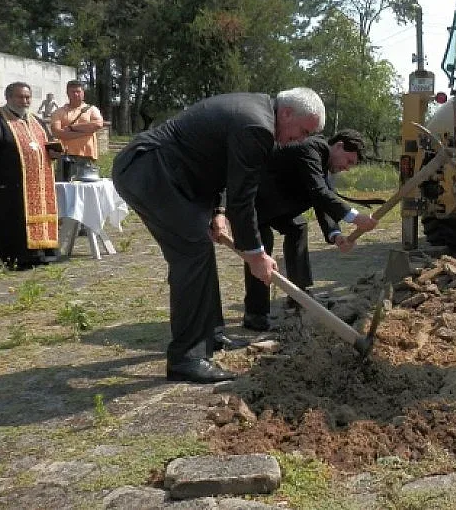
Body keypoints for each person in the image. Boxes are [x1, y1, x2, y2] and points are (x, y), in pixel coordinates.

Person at [111, 88, 325, 383]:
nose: (301, 139)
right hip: (150, 170)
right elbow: (243, 199)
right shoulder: (257, 125)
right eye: (303, 130)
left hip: (174, 176)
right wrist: (255, 254)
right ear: (287, 113)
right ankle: (186, 358)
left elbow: (216, 164)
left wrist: (216, 212)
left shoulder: (257, 114)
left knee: (198, 251)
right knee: (192, 254)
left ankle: (210, 335)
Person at [240, 129, 378, 332]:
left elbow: (322, 199)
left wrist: (336, 234)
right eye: (348, 161)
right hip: (255, 206)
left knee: (298, 227)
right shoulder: (311, 149)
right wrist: (355, 218)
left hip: (279, 207)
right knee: (260, 250)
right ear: (338, 146)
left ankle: (299, 296)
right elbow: (319, 192)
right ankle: (256, 314)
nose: (346, 168)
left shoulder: (322, 163)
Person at [0, 82, 61, 268]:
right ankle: (13, 258)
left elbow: (47, 143)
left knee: (37, 217)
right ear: (9, 98)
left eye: (27, 97)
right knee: (12, 219)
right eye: (20, 97)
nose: (25, 101)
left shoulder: (36, 121)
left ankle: (41, 253)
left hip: (38, 182)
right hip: (8, 181)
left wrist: (54, 152)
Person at [49, 81, 104, 181]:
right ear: (67, 93)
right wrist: (86, 132)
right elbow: (57, 133)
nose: (75, 94)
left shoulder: (92, 109)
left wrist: (71, 128)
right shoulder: (58, 112)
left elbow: (98, 124)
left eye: (78, 91)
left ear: (83, 93)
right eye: (72, 92)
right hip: (65, 157)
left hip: (86, 156)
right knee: (64, 186)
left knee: (86, 187)